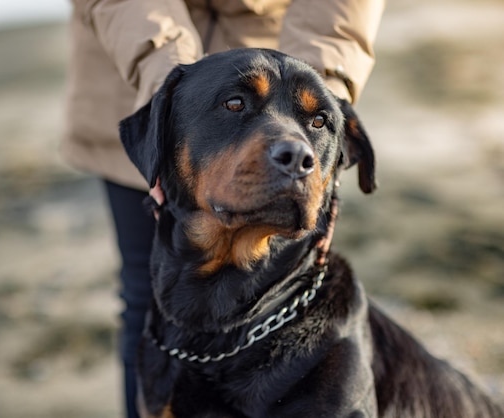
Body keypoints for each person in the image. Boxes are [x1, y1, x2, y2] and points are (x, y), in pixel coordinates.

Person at [60, 1, 385, 417]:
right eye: (237, 106)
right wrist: (170, 93)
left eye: (315, 130)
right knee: (146, 298)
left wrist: (327, 95)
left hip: (281, 42)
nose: (297, 152)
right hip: (134, 60)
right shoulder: (165, 117)